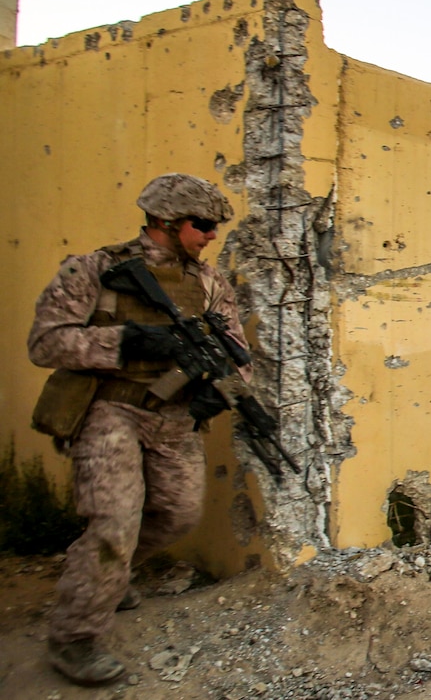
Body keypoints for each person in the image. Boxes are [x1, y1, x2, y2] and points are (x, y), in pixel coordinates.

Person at [27, 173, 245, 685]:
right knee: (114, 523)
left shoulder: (210, 282)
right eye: (204, 225)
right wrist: (127, 342)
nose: (212, 236)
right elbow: (45, 344)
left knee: (179, 514)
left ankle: (106, 574)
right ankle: (75, 637)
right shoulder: (95, 270)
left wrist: (225, 389)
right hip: (109, 409)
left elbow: (236, 350)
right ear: (166, 222)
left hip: (173, 416)